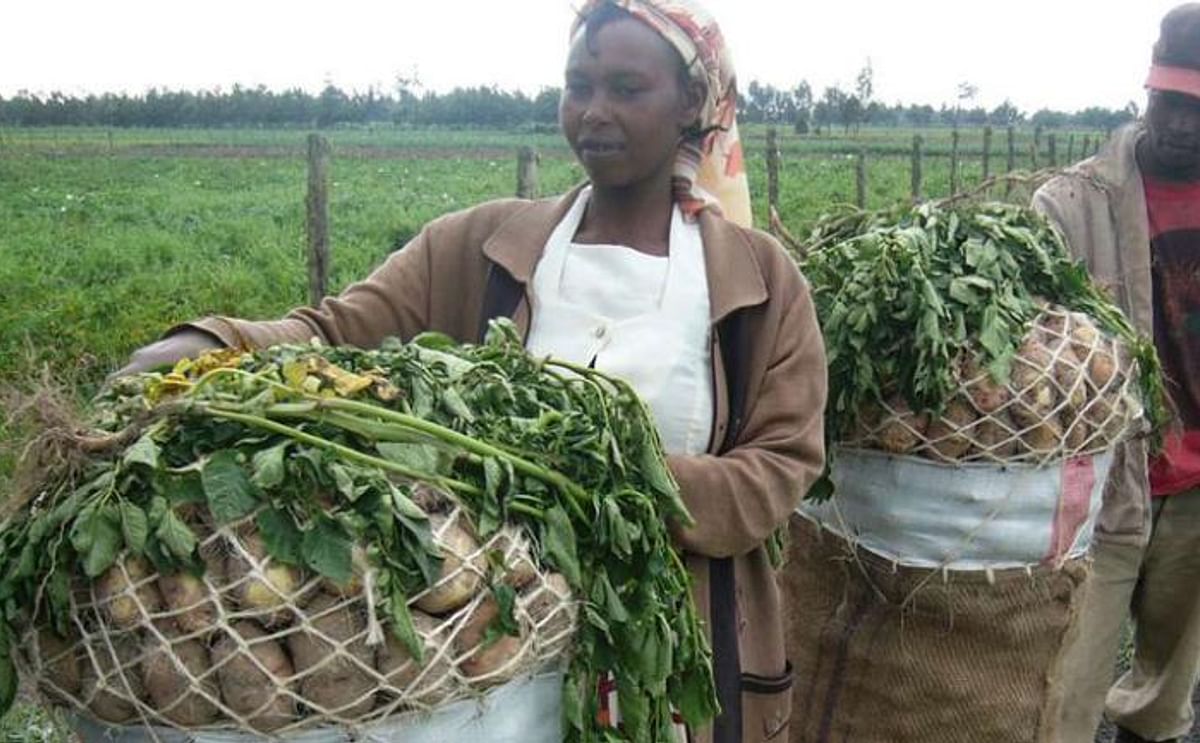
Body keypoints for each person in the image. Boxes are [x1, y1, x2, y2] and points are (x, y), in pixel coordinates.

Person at [117, 2, 828, 741]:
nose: (593, 111)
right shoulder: (485, 244)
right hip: (495, 654)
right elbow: (332, 331)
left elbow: (780, 467)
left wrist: (601, 486)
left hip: (671, 651)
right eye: (577, 85)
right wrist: (205, 343)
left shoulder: (756, 281)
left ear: (690, 103)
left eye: (625, 87)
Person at [1033, 5, 1200, 742]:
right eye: (1168, 100)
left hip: (1196, 486)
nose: (1181, 124)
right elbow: (1030, 340)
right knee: (1064, 684)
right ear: (1147, 92)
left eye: (1198, 107)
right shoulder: (1074, 203)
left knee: (1167, 686)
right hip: (1104, 480)